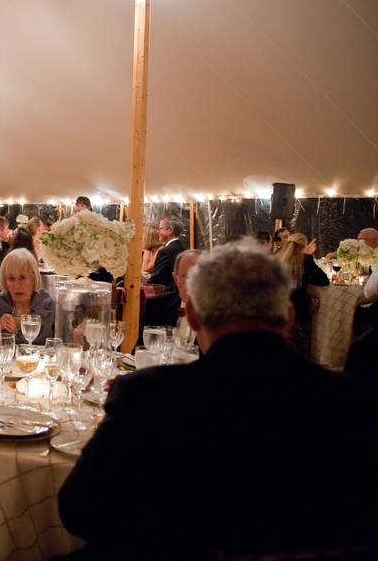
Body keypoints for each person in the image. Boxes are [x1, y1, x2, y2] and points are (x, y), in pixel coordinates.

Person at [59, 240, 378, 559]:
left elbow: (79, 510)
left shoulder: (148, 396)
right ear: (290, 317)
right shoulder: (356, 401)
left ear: (193, 316)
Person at [0, 249, 53, 344]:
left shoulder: (49, 307)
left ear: (34, 279)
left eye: (23, 278)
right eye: (11, 279)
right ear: (5, 281)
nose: (17, 285)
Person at [278, 232, 329, 357]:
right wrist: (306, 278)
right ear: (304, 246)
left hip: (279, 306)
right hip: (298, 309)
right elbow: (323, 280)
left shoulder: (279, 257)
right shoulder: (306, 259)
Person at [141, 249, 201, 333]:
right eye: (187, 276)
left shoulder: (218, 312)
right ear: (176, 278)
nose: (193, 282)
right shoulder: (155, 306)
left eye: (199, 276)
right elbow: (143, 345)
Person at [147, 216, 186, 290]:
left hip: (165, 296)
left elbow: (156, 280)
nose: (158, 231)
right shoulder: (182, 248)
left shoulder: (166, 252)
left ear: (170, 230)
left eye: (160, 228)